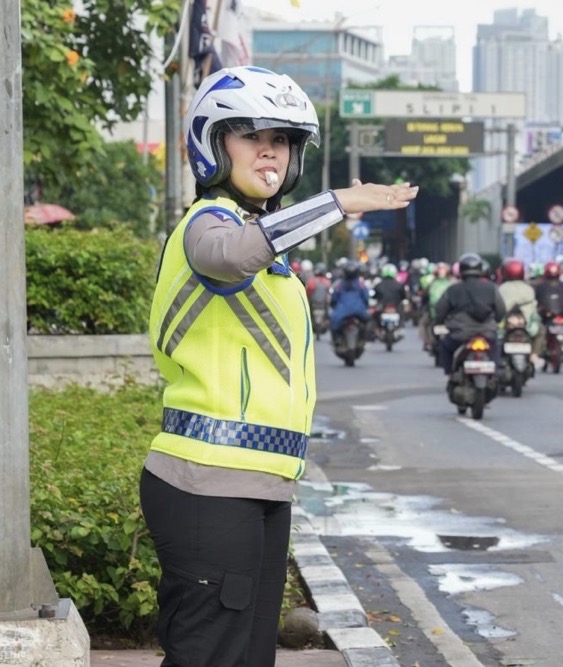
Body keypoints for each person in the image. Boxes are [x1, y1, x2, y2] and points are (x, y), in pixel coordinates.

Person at [140, 65, 417, 667]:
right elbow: (233, 254)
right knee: (210, 656)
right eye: (250, 135)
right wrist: (337, 203)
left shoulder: (266, 250)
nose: (270, 151)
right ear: (214, 145)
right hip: (205, 482)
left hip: (260, 484)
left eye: (283, 140)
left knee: (245, 658)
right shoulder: (207, 226)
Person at [434, 252, 506, 376]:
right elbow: (501, 310)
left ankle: (450, 374)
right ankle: (496, 372)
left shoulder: (453, 289)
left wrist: (440, 322)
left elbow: (440, 311)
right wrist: (496, 322)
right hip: (487, 332)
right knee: (496, 345)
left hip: (460, 334)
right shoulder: (491, 288)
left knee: (445, 345)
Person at [498, 258, 543, 360]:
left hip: (506, 327)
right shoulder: (528, 289)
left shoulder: (502, 288)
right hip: (527, 327)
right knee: (541, 330)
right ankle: (534, 355)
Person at [329, 260, 371, 342]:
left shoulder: (339, 285)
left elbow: (334, 299)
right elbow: (366, 298)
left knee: (333, 324)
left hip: (341, 312)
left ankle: (336, 340)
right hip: (360, 311)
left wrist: (333, 305)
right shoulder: (360, 284)